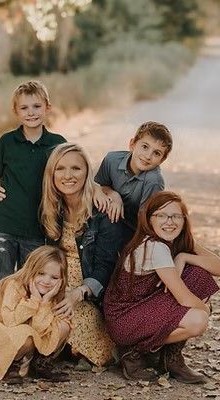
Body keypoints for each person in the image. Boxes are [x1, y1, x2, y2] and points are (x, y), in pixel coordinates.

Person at [103, 191, 220, 384]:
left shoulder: (175, 240)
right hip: (124, 318)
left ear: (184, 219)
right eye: (161, 215)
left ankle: (169, 358)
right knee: (198, 320)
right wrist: (205, 309)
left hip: (142, 307)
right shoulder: (153, 246)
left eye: (176, 216)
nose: (169, 221)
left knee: (199, 275)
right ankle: (134, 352)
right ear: (149, 219)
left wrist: (183, 257)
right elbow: (184, 299)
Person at [41, 142, 125, 367]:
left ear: (87, 172)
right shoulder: (51, 209)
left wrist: (78, 293)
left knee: (69, 317)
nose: (68, 175)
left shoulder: (104, 211)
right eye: (60, 169)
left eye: (76, 168)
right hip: (54, 282)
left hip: (88, 292)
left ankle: (61, 351)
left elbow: (106, 267)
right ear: (52, 174)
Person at [0, 80, 66, 296]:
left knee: (31, 286)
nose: (31, 113)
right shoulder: (6, 142)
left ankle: (25, 329)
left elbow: (70, 181)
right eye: (24, 108)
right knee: (2, 285)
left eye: (36, 106)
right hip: (4, 227)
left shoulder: (57, 144)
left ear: (47, 108)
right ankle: (0, 328)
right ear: (16, 111)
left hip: (37, 230)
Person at [0, 245, 71, 383]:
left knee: (63, 325)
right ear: (31, 270)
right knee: (26, 334)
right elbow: (10, 321)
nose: (46, 281)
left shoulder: (53, 295)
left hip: (31, 334)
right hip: (6, 334)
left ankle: (38, 364)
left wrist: (44, 302)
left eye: (54, 277)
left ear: (62, 279)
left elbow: (40, 329)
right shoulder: (14, 285)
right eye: (41, 274)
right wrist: (34, 301)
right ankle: (11, 365)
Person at [94, 121, 173, 243]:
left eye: (156, 153)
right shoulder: (111, 160)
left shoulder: (154, 181)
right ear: (132, 144)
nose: (148, 156)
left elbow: (146, 224)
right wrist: (114, 195)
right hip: (105, 220)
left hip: (132, 232)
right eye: (145, 147)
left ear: (161, 160)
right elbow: (98, 186)